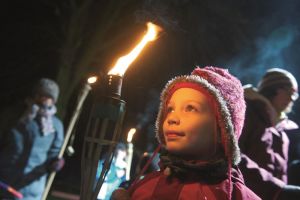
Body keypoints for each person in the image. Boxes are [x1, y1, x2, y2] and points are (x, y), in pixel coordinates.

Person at [112, 66, 260, 199]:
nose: (172, 118)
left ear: (223, 129)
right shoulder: (143, 190)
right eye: (170, 109)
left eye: (190, 108)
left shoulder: (237, 196)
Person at [239, 68, 300, 199]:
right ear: (272, 89)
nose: (292, 99)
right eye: (289, 92)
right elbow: (235, 158)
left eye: (295, 94)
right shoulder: (247, 115)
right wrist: (278, 190)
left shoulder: (282, 131)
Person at [0, 78, 65, 200]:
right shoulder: (14, 116)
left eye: (49, 96)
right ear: (35, 95)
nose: (45, 99)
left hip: (31, 189)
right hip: (4, 184)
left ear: (54, 100)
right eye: (42, 95)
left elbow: (54, 154)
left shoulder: (55, 126)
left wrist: (56, 163)